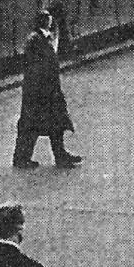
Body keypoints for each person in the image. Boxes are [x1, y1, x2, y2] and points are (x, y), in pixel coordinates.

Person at [13, 9, 81, 170]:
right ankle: (23, 159)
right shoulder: (37, 40)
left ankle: (58, 156)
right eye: (48, 20)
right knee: (36, 125)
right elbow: (38, 66)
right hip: (42, 91)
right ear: (44, 22)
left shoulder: (39, 38)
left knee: (51, 125)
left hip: (43, 90)